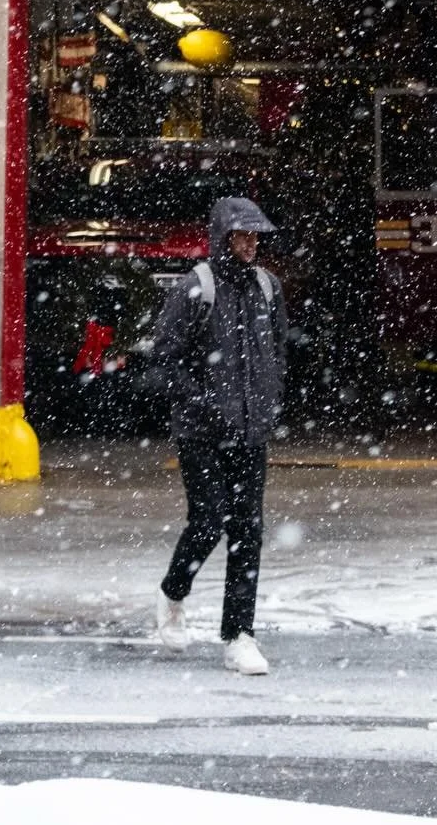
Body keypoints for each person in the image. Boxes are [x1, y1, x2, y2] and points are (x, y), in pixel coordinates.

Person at [152, 196, 289, 673]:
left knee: (247, 532)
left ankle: (239, 636)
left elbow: (277, 355)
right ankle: (173, 592)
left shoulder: (268, 288)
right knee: (208, 521)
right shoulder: (198, 288)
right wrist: (205, 403)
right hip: (202, 432)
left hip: (250, 432)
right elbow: (164, 360)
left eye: (256, 235)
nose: (251, 244)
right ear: (222, 238)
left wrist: (268, 403)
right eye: (242, 235)